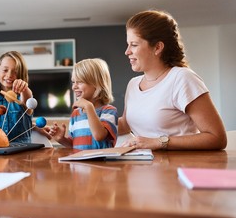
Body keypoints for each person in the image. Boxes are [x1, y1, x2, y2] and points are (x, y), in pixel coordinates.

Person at [119, 9, 227, 150]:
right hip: (143, 167)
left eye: (134, 45)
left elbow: (217, 137)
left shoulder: (182, 78)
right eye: (128, 44)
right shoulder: (133, 84)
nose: (127, 51)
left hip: (176, 168)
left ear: (157, 47)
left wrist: (158, 142)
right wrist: (89, 119)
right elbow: (126, 124)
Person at [48, 58, 118, 149]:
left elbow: (99, 136)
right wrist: (61, 139)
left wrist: (89, 107)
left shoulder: (109, 111)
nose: (74, 87)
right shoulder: (75, 114)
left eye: (80, 82)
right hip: (79, 162)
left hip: (101, 163)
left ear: (97, 84)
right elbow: (74, 145)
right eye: (73, 82)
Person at [0, 51, 33, 143]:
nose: (9, 75)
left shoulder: (24, 94)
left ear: (21, 74)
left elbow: (27, 99)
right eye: (5, 70)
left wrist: (24, 87)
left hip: (22, 153)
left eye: (15, 72)